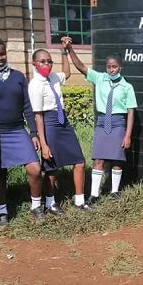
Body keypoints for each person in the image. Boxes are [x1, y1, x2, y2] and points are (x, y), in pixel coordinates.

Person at [0, 37, 44, 228]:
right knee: (0, 173)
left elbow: (27, 105)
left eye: (2, 53)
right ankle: (2, 213)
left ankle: (36, 207)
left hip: (17, 130)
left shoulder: (18, 77)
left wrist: (33, 133)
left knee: (35, 168)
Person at [65, 40, 137, 205]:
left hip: (118, 123)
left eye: (115, 67)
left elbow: (131, 112)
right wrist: (70, 49)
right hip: (103, 121)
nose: (111, 70)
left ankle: (114, 192)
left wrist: (127, 135)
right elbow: (80, 67)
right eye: (109, 67)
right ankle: (94, 194)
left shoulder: (127, 87)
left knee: (117, 159)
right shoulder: (100, 78)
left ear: (120, 67)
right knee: (98, 159)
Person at [28, 41, 88, 213]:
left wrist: (64, 53)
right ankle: (50, 203)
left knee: (80, 161)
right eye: (42, 61)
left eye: (49, 61)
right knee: (52, 166)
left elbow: (67, 73)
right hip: (49, 124)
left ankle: (79, 201)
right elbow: (38, 116)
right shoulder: (35, 85)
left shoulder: (54, 77)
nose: (46, 64)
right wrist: (44, 144)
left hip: (63, 123)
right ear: (35, 64)